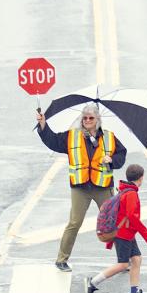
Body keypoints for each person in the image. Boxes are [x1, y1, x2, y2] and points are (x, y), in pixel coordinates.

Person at [36, 104, 128, 272]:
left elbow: (122, 155)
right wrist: (43, 125)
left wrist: (111, 159)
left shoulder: (109, 137)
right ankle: (61, 260)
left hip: (102, 187)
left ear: (97, 120)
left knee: (114, 222)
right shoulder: (72, 136)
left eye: (91, 118)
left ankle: (124, 260)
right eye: (84, 118)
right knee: (74, 222)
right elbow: (53, 141)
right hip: (81, 188)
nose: (87, 121)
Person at [87, 165, 147, 293]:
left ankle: (134, 292)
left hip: (127, 233)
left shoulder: (126, 190)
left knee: (136, 259)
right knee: (123, 264)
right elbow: (132, 217)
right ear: (141, 178)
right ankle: (93, 282)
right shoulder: (131, 194)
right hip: (123, 234)